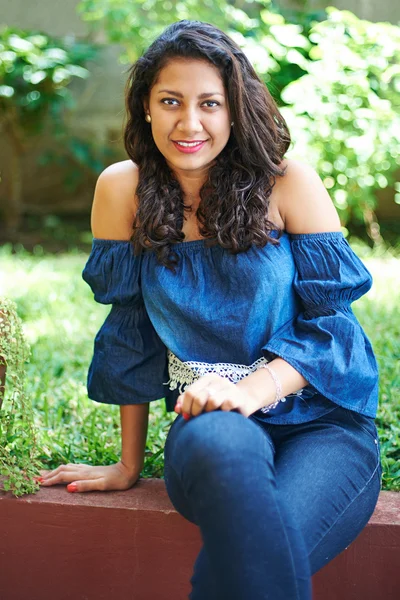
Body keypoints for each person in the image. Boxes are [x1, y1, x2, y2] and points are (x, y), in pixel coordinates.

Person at [40, 20, 382, 600]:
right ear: (146, 108)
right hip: (211, 426)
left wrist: (254, 388)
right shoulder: (121, 189)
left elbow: (333, 329)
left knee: (259, 556)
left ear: (234, 110)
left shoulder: (286, 184)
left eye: (210, 103)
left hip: (323, 423)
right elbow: (130, 329)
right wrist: (128, 465)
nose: (189, 123)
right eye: (170, 101)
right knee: (252, 534)